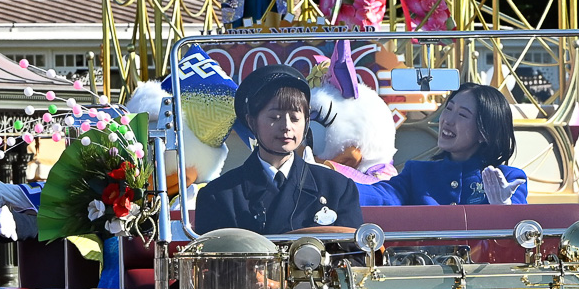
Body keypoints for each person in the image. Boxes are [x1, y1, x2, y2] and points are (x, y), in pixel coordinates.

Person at [192, 66, 363, 235]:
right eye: (275, 118)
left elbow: (354, 256)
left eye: (295, 118)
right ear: (251, 121)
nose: (287, 127)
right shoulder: (219, 195)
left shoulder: (338, 188)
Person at [356, 83, 528, 207]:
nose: (447, 120)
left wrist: (505, 209)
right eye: (448, 109)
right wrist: (336, 187)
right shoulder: (417, 173)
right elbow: (382, 197)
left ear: (484, 133)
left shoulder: (510, 179)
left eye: (462, 115)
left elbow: (522, 234)